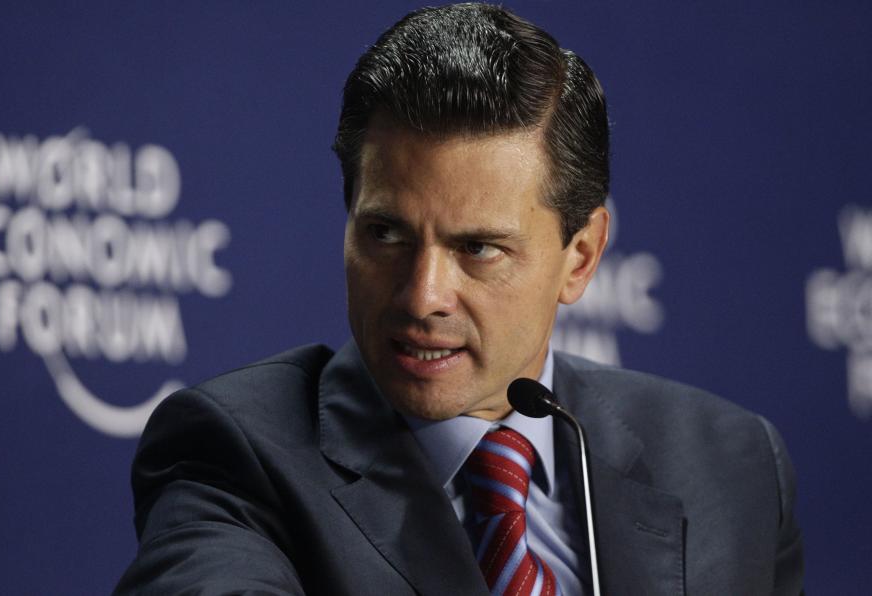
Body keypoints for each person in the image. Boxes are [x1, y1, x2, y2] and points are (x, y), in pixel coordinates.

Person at [115, 4, 804, 594]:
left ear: (582, 256)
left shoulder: (730, 465)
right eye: (385, 233)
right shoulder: (235, 452)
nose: (423, 296)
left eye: (478, 248)